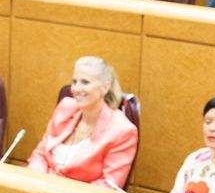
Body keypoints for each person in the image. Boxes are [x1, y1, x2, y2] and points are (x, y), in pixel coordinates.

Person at [27, 56, 137, 186]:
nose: (76, 89)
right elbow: (40, 155)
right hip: (40, 192)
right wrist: (38, 183)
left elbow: (109, 185)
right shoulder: (66, 107)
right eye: (74, 82)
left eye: (85, 82)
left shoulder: (122, 130)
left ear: (105, 87)